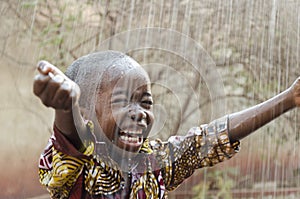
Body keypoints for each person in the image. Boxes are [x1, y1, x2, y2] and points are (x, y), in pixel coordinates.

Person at [33, 51, 300, 199]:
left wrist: (289, 98)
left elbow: (209, 138)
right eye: (122, 101)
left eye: (145, 103)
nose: (139, 113)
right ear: (86, 113)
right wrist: (65, 107)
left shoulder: (153, 164)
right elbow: (71, 143)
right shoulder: (76, 167)